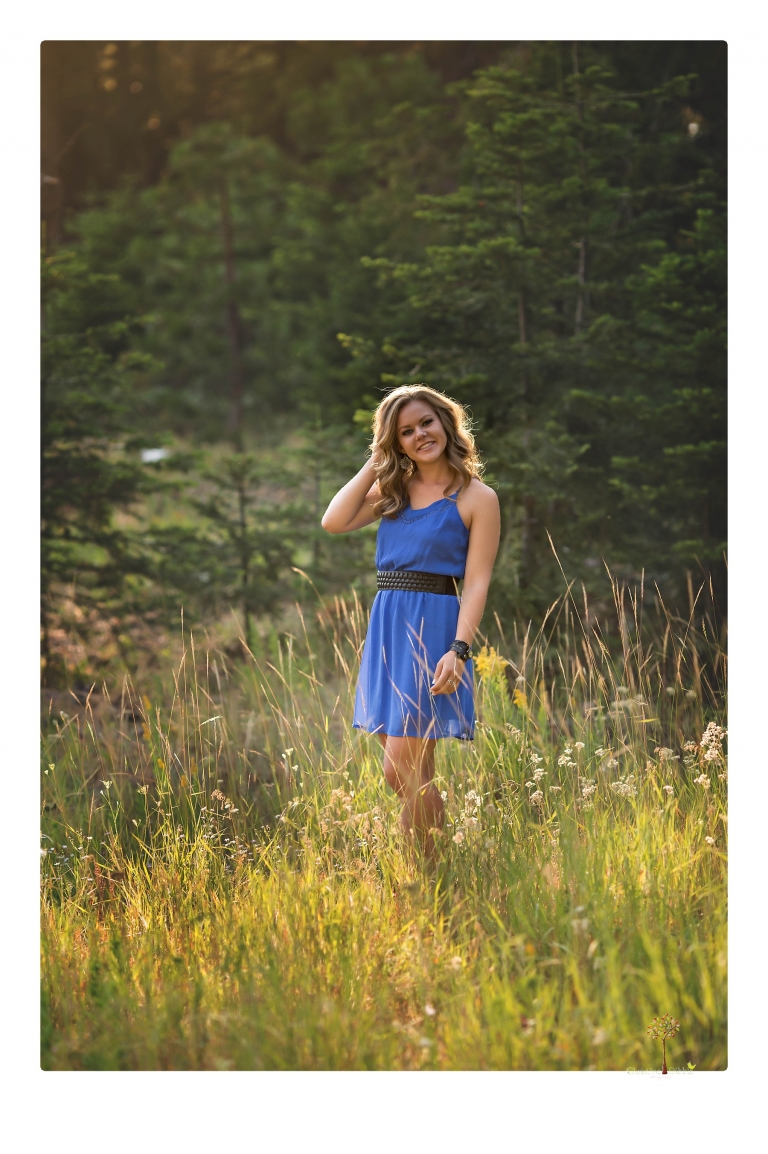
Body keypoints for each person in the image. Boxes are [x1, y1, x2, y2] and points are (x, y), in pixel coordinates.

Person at [321, 384, 500, 855]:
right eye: (406, 431)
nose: (421, 434)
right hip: (387, 628)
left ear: (445, 423)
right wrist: (377, 463)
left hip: (434, 629)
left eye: (426, 422)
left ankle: (433, 865)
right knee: (413, 772)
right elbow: (334, 521)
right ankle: (431, 873)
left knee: (398, 768)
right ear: (395, 442)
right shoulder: (393, 492)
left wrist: (458, 650)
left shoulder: (478, 498)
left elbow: (477, 583)